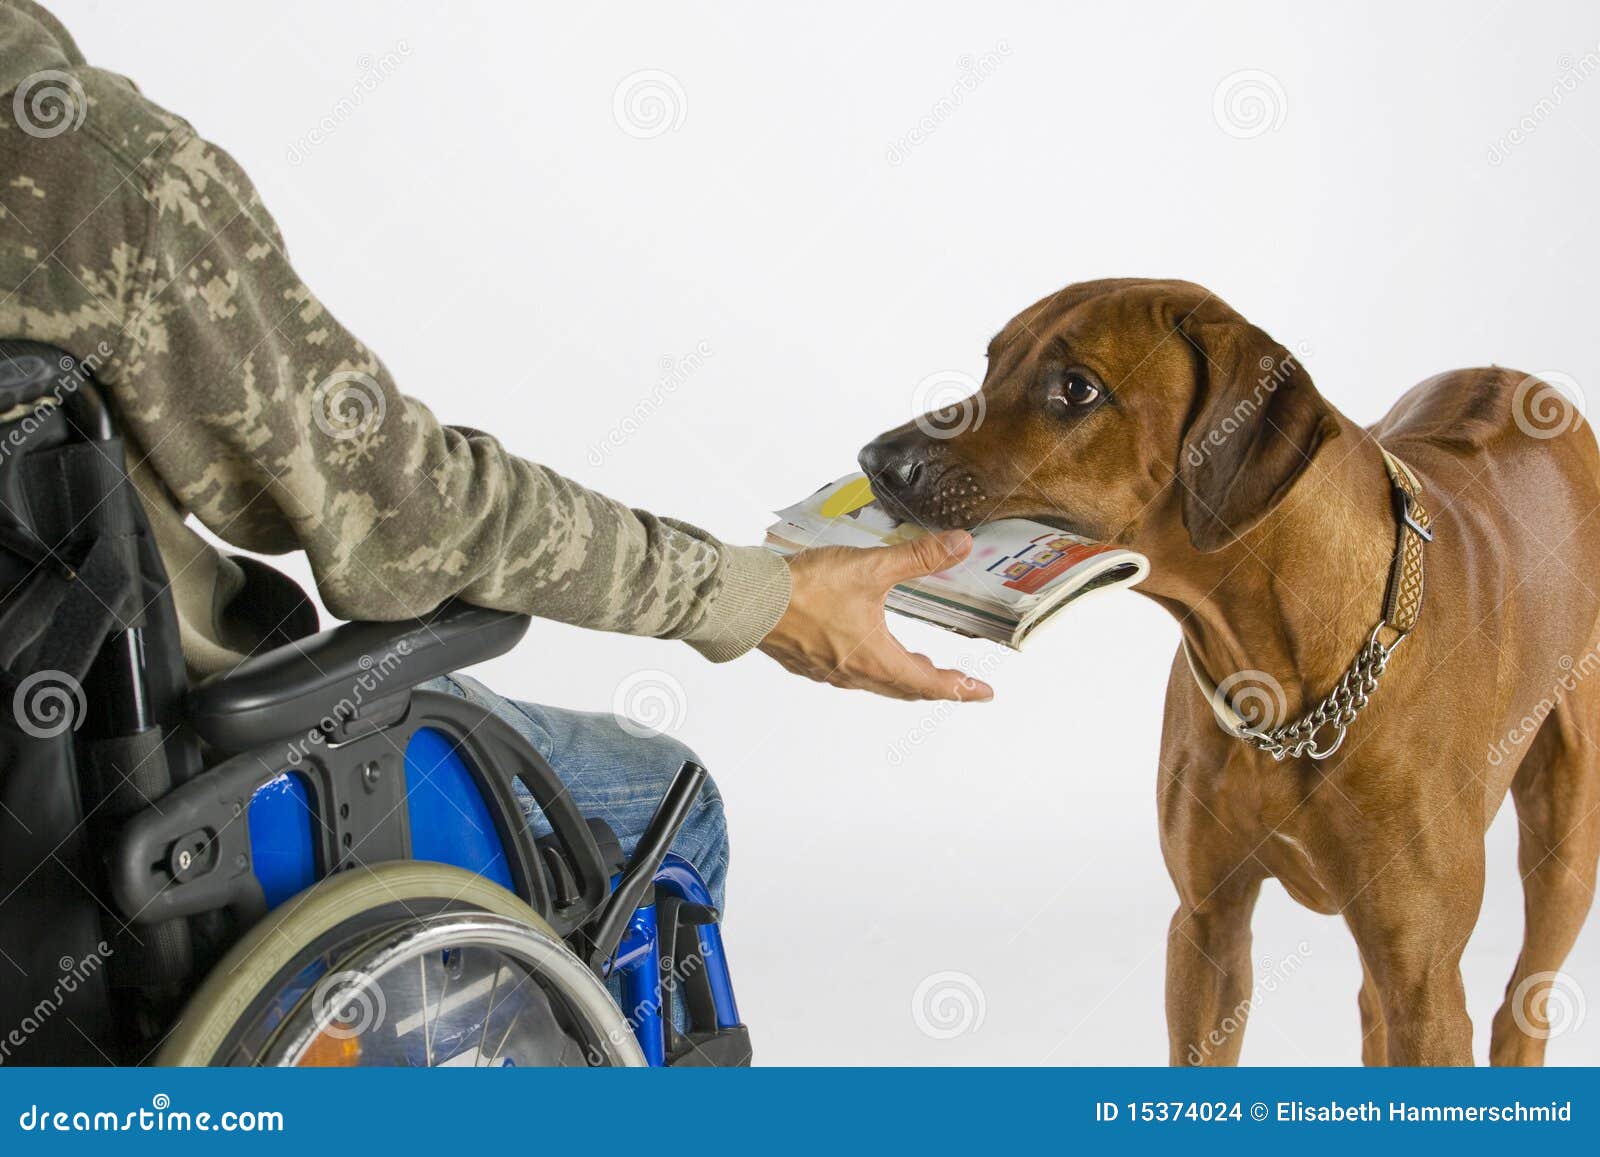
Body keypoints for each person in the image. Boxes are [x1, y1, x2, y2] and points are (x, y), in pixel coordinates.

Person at [0, 1, 992, 910]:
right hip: (145, 811)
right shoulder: (85, 169)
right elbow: (408, 519)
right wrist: (754, 594)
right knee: (670, 804)